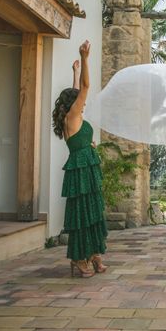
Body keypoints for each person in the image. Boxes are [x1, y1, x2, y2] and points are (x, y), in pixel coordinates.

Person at [52, 40, 108, 277]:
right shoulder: (72, 118)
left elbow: (77, 89)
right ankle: (78, 258)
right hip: (81, 172)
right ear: (72, 105)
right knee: (83, 214)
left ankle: (94, 253)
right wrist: (85, 59)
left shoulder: (71, 116)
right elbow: (85, 87)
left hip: (86, 169)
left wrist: (74, 72)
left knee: (92, 212)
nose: (81, 103)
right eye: (77, 101)